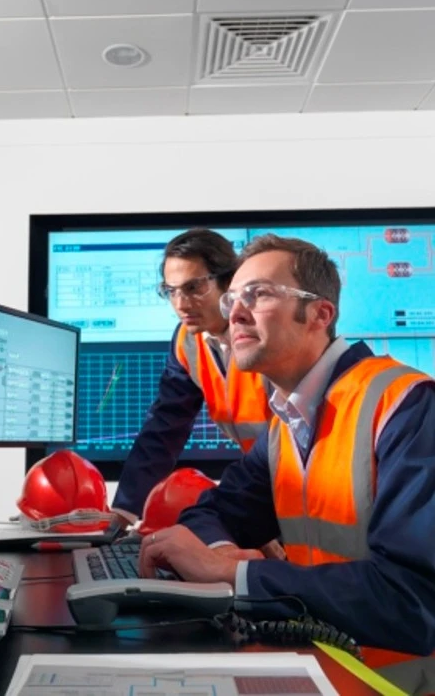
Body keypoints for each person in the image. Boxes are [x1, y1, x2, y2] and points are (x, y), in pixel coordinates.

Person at [137, 234, 435, 694]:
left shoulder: (407, 408)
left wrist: (235, 575)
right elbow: (209, 515)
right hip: (324, 671)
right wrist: (220, 554)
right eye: (234, 297)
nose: (233, 311)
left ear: (320, 314)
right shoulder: (286, 427)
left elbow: (414, 602)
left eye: (258, 295)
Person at [111, 228, 272, 527]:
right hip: (262, 483)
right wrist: (123, 511)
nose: (181, 304)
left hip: (303, 486)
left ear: (229, 282)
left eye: (194, 287)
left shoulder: (267, 334)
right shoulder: (187, 341)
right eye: (171, 291)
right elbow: (164, 428)